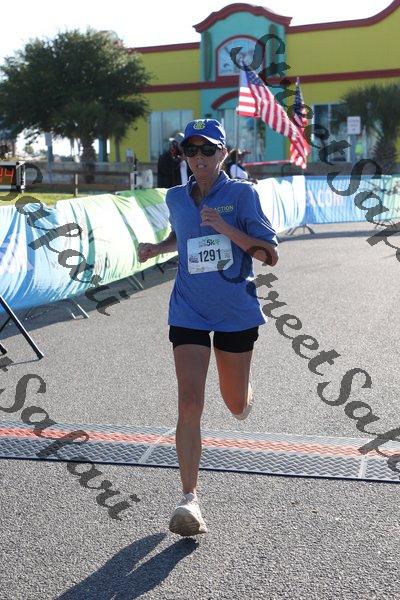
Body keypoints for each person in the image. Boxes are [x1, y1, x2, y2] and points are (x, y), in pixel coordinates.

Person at [138, 118, 278, 537]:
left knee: (234, 403)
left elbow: (268, 254)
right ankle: (189, 499)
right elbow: (181, 237)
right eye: (191, 150)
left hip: (235, 311)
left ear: (223, 154)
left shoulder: (242, 194)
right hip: (189, 310)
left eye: (207, 150)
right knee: (188, 401)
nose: (198, 158)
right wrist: (157, 248)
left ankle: (243, 392)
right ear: (183, 155)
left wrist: (225, 227)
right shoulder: (175, 197)